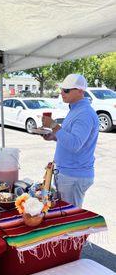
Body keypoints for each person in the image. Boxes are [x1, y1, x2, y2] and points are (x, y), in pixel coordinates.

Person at [42, 73, 99, 208]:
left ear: (80, 91)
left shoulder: (84, 113)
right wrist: (54, 136)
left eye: (66, 90)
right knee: (65, 213)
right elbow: (71, 137)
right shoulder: (76, 109)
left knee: (69, 216)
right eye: (62, 89)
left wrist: (54, 126)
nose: (62, 93)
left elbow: (74, 144)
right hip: (68, 173)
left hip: (74, 175)